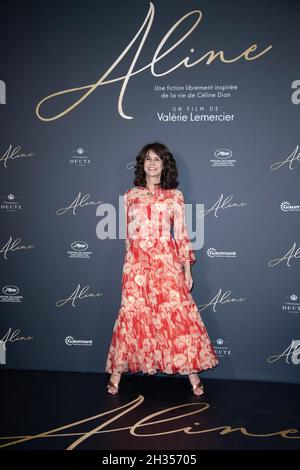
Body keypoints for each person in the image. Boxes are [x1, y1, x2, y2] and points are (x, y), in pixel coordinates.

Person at [105, 142, 219, 396]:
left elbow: (180, 235)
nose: (152, 164)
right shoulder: (131, 195)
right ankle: (116, 375)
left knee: (177, 316)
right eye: (148, 159)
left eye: (157, 159)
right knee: (131, 314)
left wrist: (187, 270)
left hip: (165, 263)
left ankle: (193, 377)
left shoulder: (174, 196)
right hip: (135, 265)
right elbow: (128, 235)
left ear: (164, 164)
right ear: (142, 164)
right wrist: (129, 264)